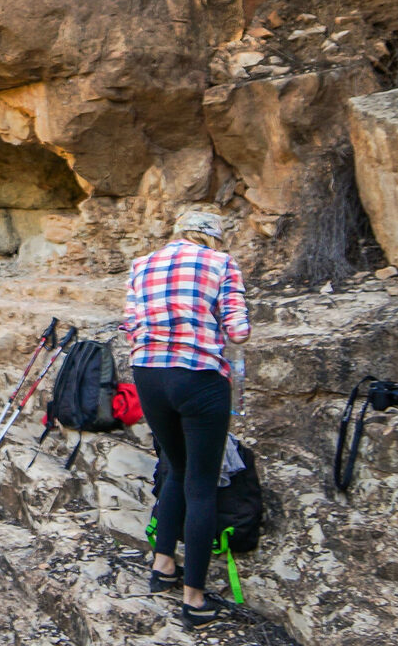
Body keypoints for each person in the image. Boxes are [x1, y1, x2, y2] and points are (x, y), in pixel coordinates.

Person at [122, 208, 250, 629]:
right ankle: (194, 599)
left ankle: (162, 566)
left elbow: (130, 325)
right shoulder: (221, 263)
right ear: (212, 238)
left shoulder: (142, 265)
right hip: (198, 377)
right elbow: (239, 331)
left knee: (174, 467)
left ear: (178, 232)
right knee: (201, 485)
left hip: (149, 375)